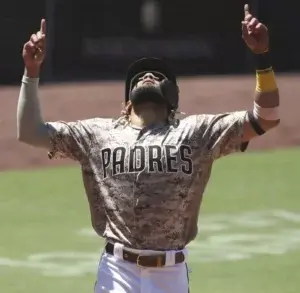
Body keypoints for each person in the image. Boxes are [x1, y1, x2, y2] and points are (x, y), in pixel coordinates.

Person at [17, 4, 280, 293]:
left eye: (158, 75)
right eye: (140, 76)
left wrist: (261, 57)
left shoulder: (195, 132)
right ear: (126, 102)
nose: (148, 76)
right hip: (117, 272)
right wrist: (31, 72)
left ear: (173, 100)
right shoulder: (97, 134)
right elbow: (30, 132)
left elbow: (266, 117)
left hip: (171, 274)